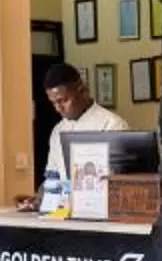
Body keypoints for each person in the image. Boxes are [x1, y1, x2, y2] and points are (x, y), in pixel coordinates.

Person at [37, 60, 121, 194]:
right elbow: (52, 177)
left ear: (83, 92)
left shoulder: (111, 125)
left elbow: (120, 180)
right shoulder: (58, 130)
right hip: (64, 208)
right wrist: (40, 197)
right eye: (54, 103)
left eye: (64, 100)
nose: (59, 109)